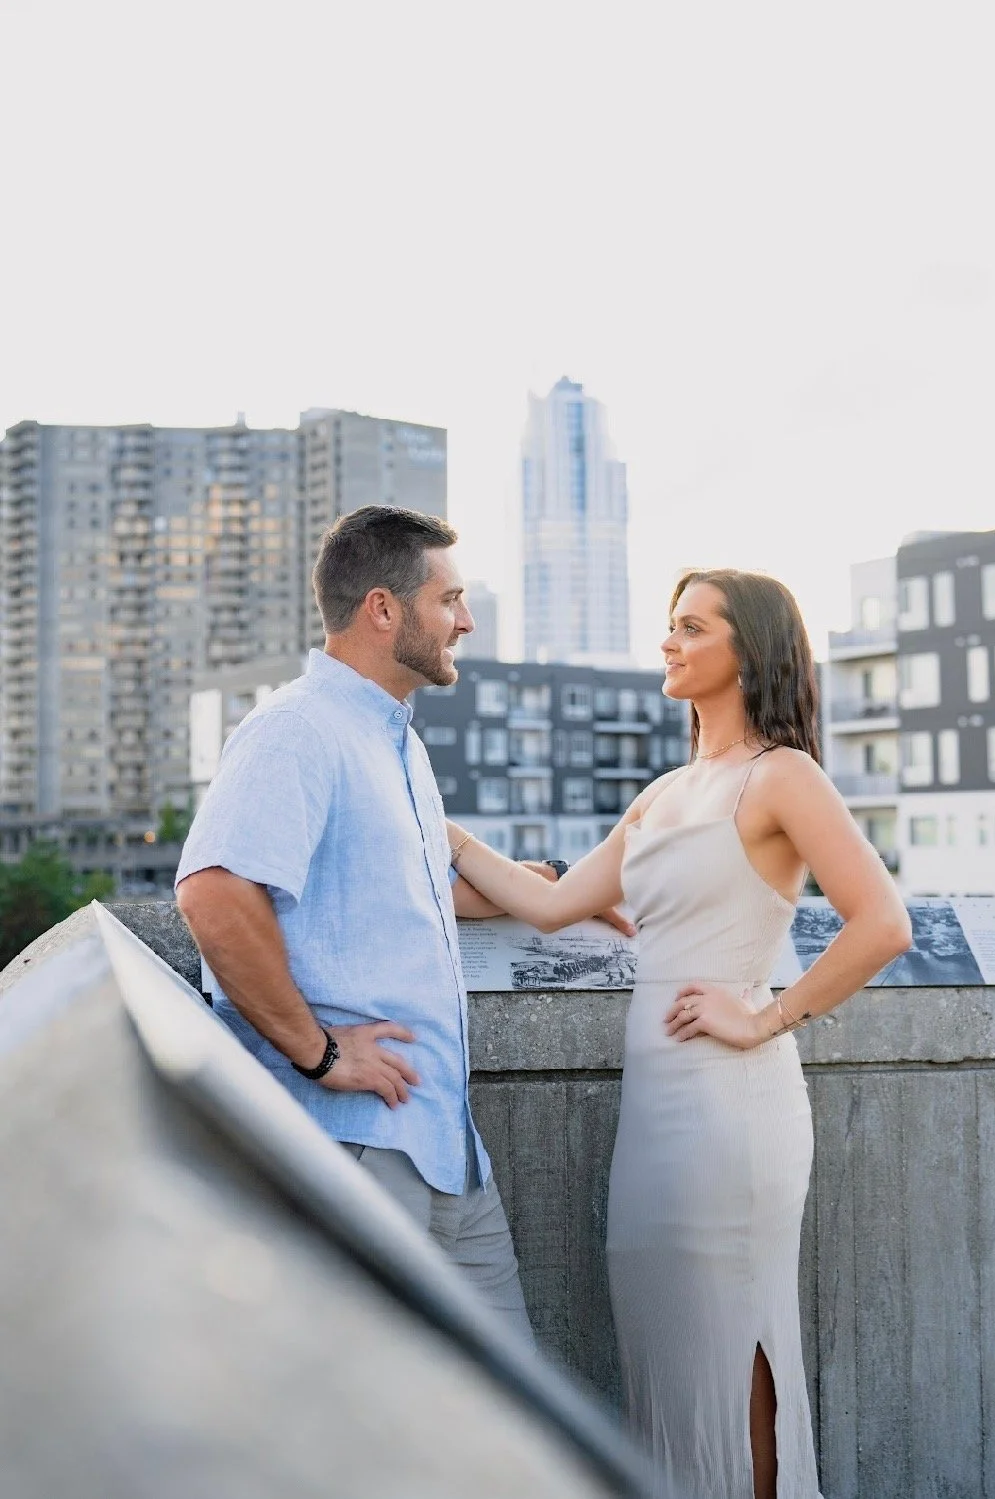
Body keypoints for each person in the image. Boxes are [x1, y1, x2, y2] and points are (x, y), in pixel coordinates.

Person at [442, 568, 912, 1499]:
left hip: (732, 1107)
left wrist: (764, 1013)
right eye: (669, 625)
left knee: (735, 1354)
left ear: (749, 652)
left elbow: (882, 923)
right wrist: (442, 832)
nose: (668, 642)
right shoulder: (663, 791)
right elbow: (551, 902)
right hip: (655, 1119)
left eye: (690, 627)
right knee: (667, 1366)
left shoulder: (782, 776)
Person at [174, 504, 631, 1345]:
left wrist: (561, 887)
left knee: (506, 1426)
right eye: (449, 598)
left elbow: (428, 888)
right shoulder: (296, 729)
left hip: (443, 1148)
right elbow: (212, 893)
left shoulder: (394, 742)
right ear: (384, 608)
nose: (465, 619)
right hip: (355, 1146)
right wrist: (317, 1049)